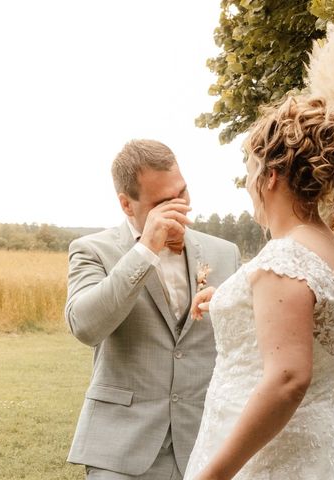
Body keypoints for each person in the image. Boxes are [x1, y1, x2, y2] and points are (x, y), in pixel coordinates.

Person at [184, 96, 334, 479]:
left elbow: (288, 379)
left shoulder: (285, 258)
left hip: (270, 459)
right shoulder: (332, 250)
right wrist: (229, 299)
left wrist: (213, 475)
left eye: (252, 169)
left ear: (270, 176)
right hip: (318, 448)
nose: (249, 183)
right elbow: (305, 325)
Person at [65, 139, 242, 479]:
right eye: (163, 203)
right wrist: (145, 250)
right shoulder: (91, 250)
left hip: (206, 446)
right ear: (126, 205)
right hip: (121, 449)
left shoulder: (225, 254)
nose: (179, 208)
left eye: (182, 193)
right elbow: (85, 326)